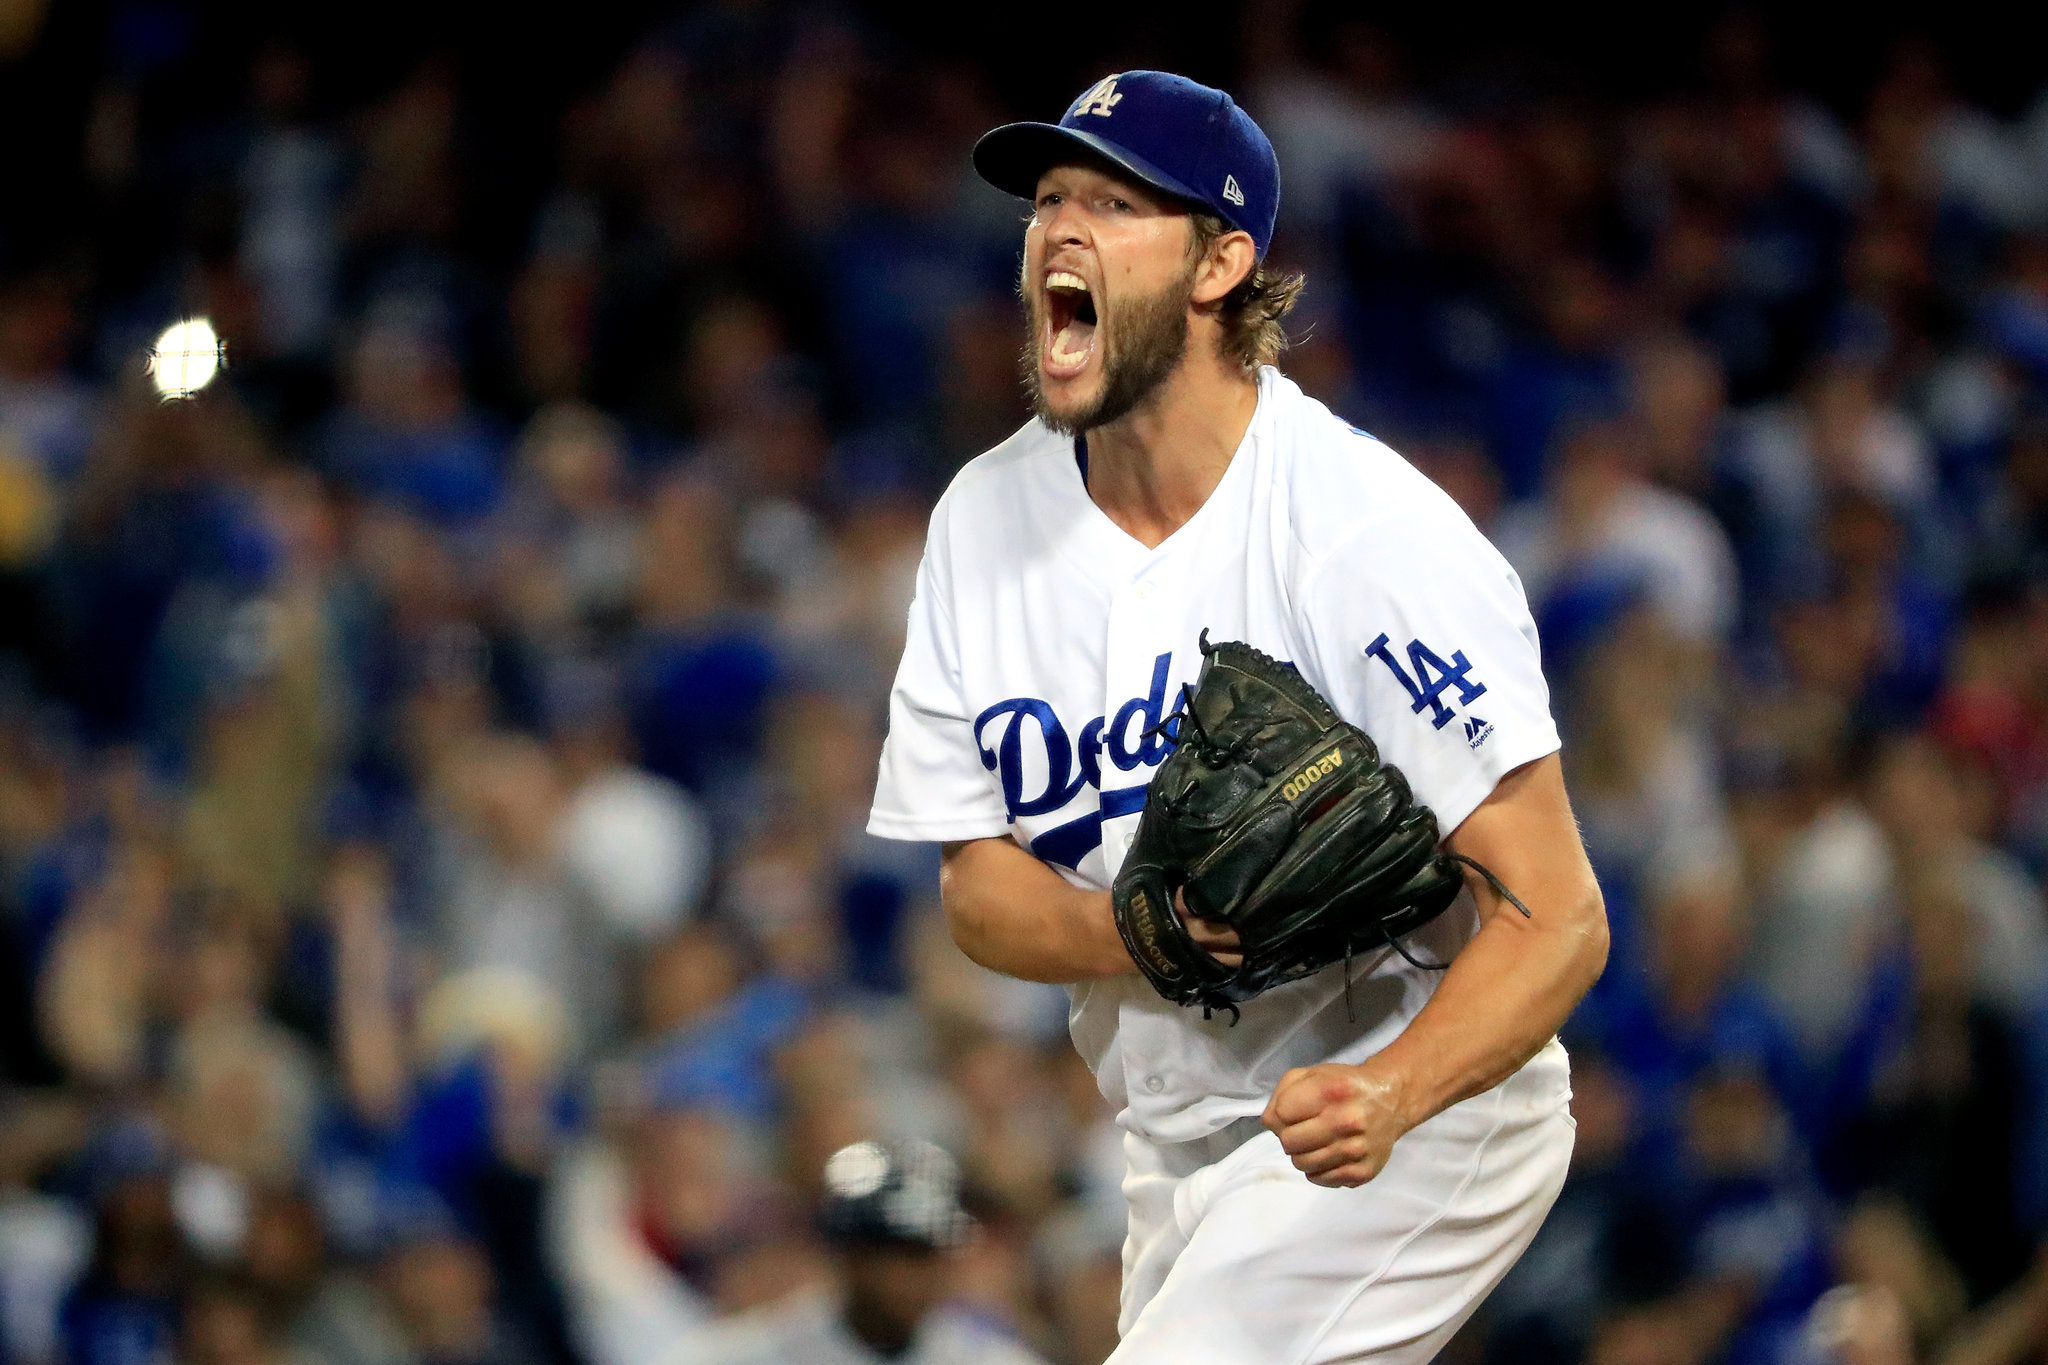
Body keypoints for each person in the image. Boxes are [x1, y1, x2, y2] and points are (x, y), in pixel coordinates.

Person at [866, 71, 1609, 1363]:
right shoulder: (981, 522)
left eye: (1113, 200)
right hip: (1175, 1141)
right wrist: (1133, 927)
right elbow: (977, 891)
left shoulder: (1365, 537)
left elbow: (1560, 916)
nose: (1059, 227)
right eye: (1048, 199)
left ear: (1222, 264)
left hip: (1418, 1101)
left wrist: (1395, 1090)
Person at [675, 1140, 1045, 1365]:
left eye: (919, 1256)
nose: (903, 1279)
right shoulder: (743, 1355)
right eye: (883, 1255)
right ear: (846, 1257)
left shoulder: (985, 1359)